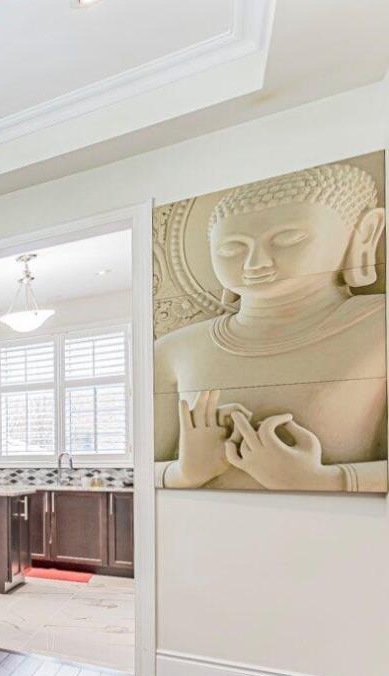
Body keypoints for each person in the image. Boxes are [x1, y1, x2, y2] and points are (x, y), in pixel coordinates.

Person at [154, 162, 387, 492]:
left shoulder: (379, 325)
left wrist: (325, 480)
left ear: (363, 233)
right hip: (199, 529)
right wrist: (185, 472)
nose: (255, 263)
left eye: (289, 238)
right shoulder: (173, 350)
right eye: (232, 248)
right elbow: (133, 473)